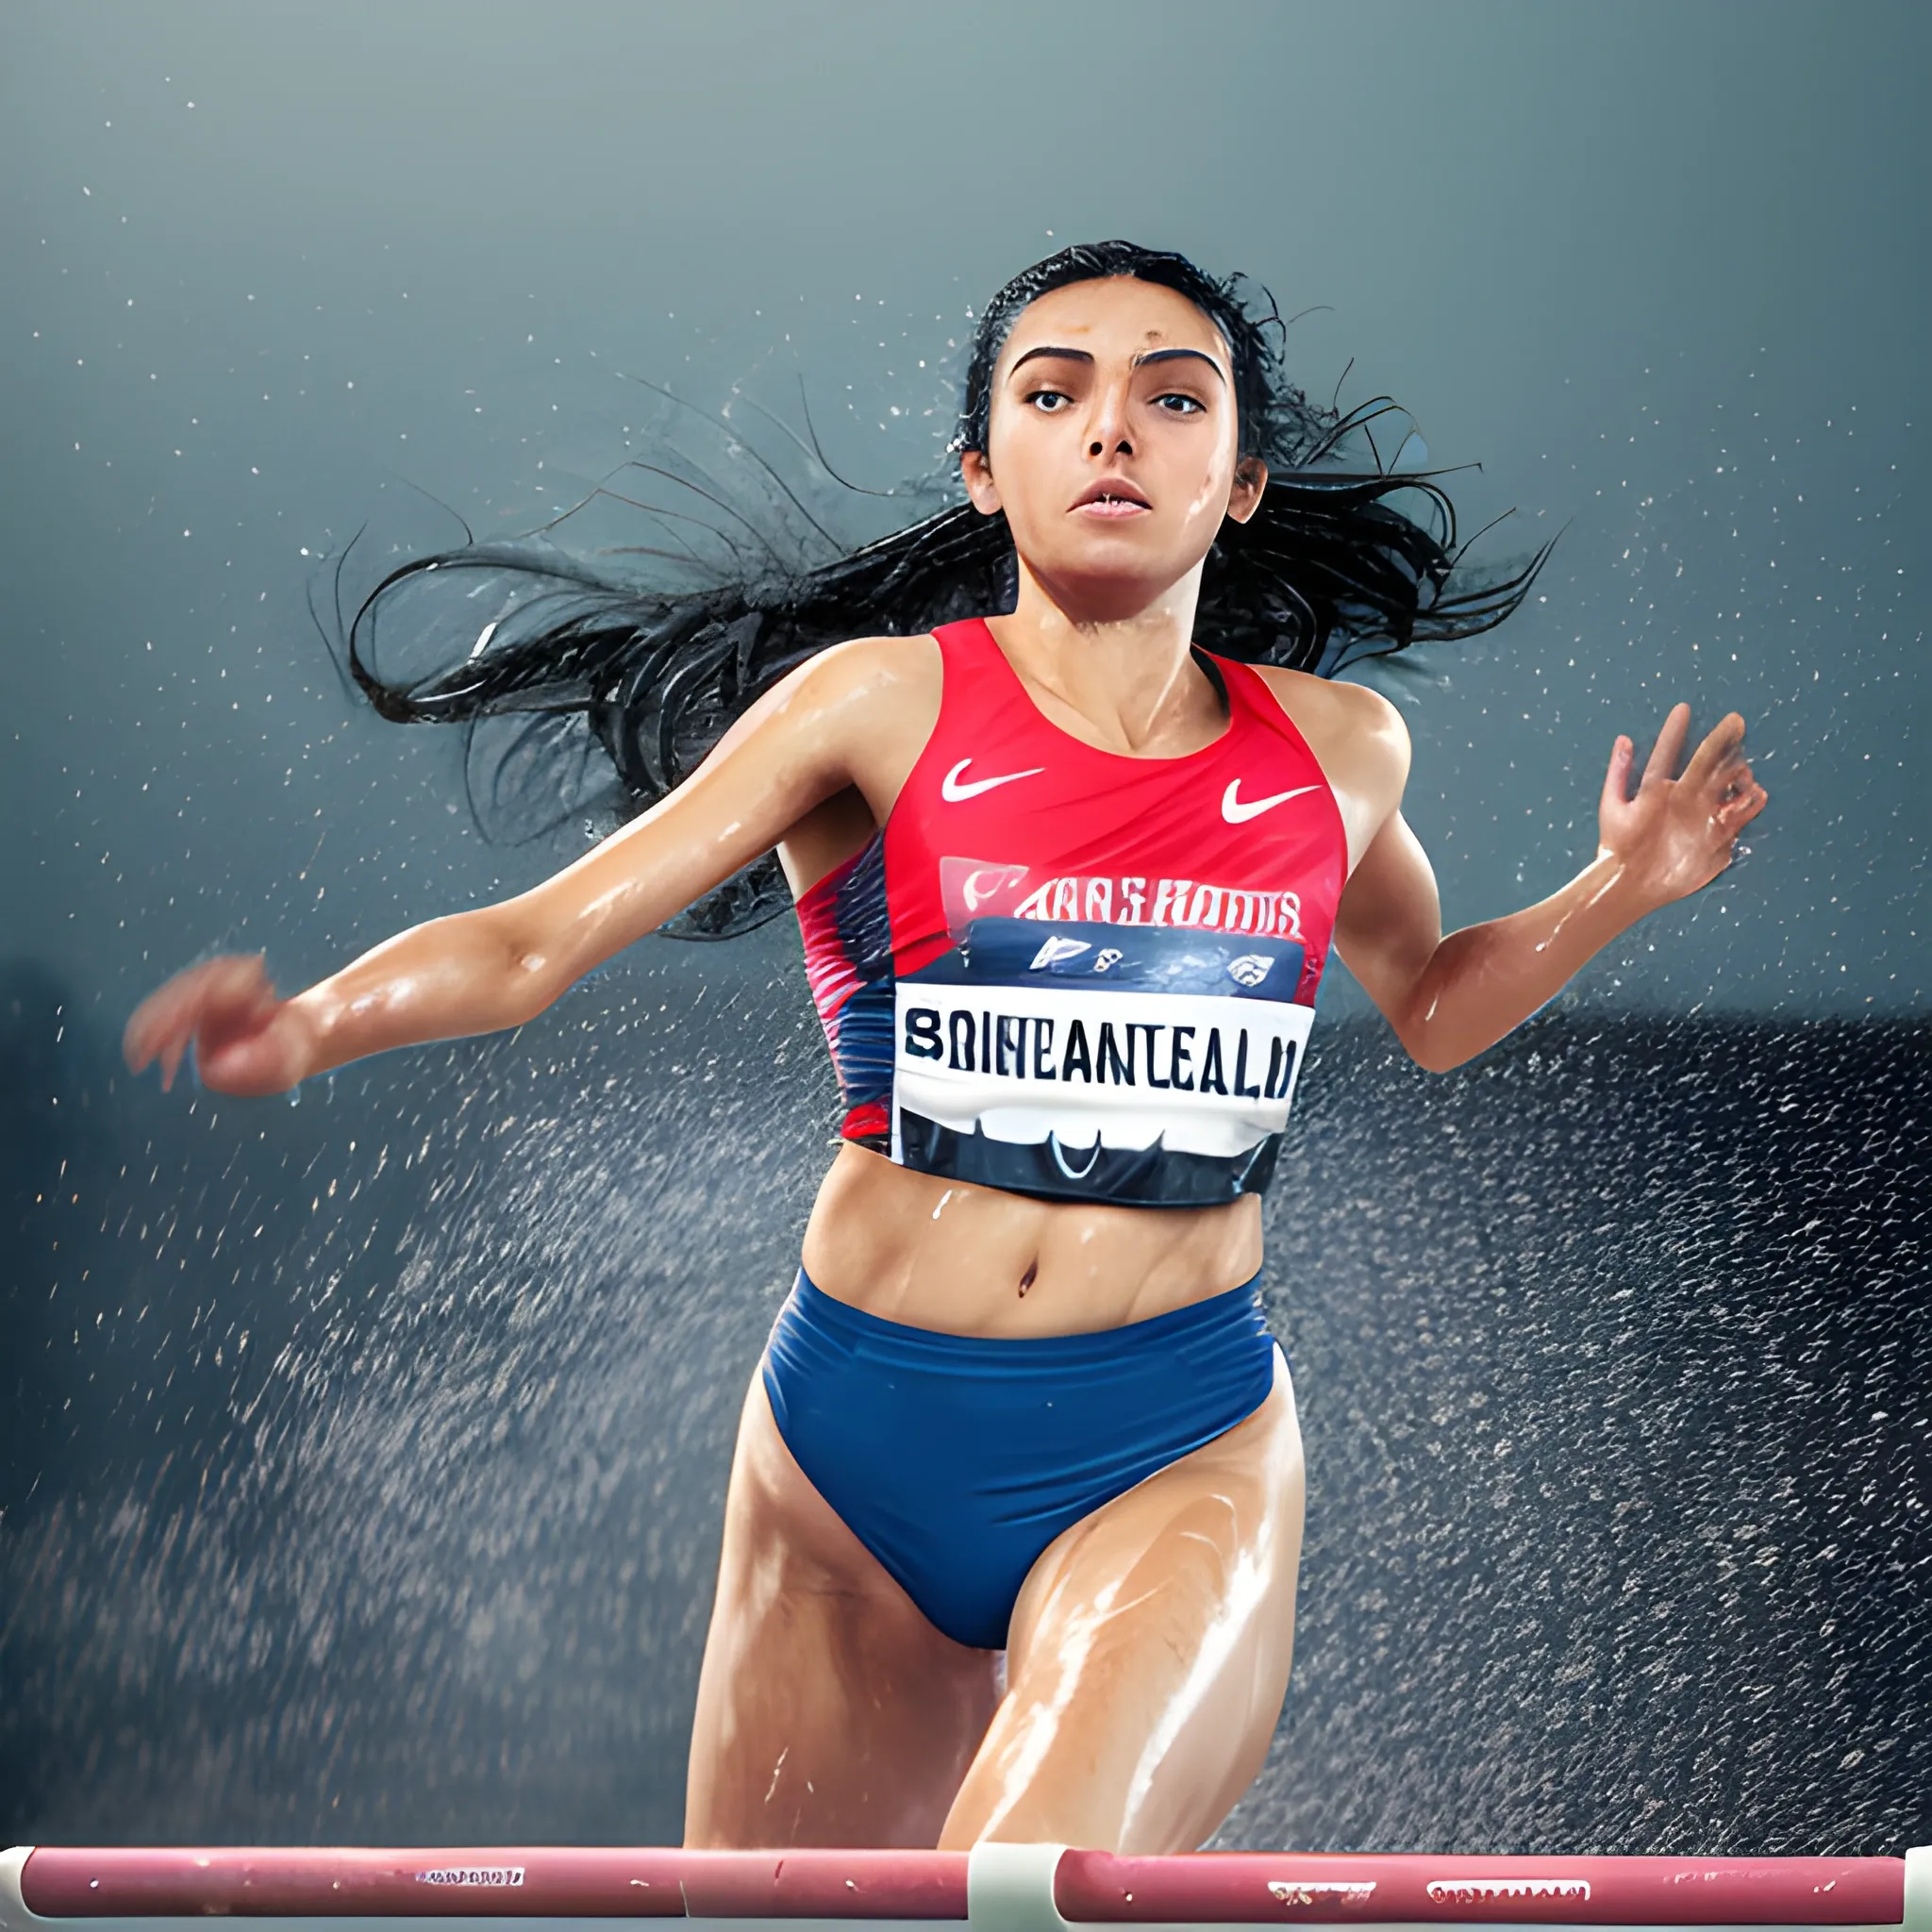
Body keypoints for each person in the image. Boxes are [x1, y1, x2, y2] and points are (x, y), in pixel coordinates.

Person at [123, 242, 1766, 1854]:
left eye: (1170, 397)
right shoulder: (872, 707)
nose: (1113, 429)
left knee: (1013, 1896)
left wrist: (1620, 890)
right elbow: (537, 941)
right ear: (986, 471)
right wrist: (315, 1019)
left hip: (1171, 1443)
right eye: (1057, 395)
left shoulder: (1337, 751)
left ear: (1243, 480)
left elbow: (1433, 1000)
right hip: (850, 1459)